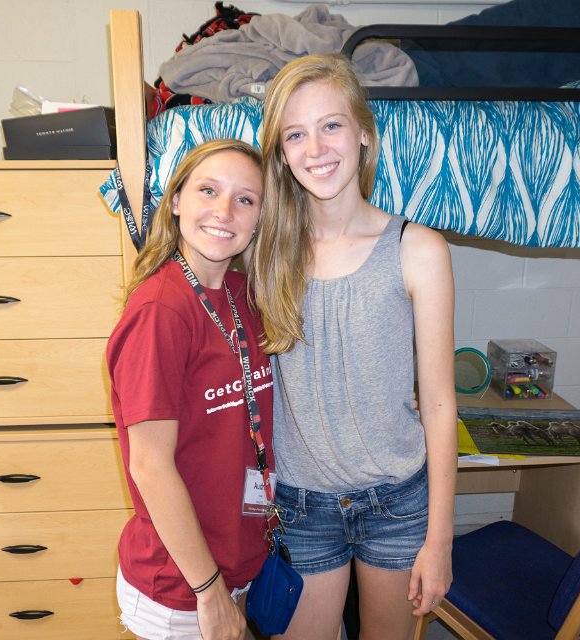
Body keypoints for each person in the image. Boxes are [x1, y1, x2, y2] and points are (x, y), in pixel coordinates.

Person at [249, 54, 458, 640]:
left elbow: (440, 403)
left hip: (396, 502)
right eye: (296, 134)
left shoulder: (418, 250)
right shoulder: (264, 253)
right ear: (281, 153)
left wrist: (440, 538)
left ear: (364, 133)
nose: (315, 148)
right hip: (302, 504)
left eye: (331, 125)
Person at [107, 139, 273, 640]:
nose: (225, 211)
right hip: (183, 585)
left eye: (245, 199)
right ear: (176, 199)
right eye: (208, 190)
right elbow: (149, 466)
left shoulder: (243, 297)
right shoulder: (161, 311)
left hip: (235, 563)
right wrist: (209, 591)